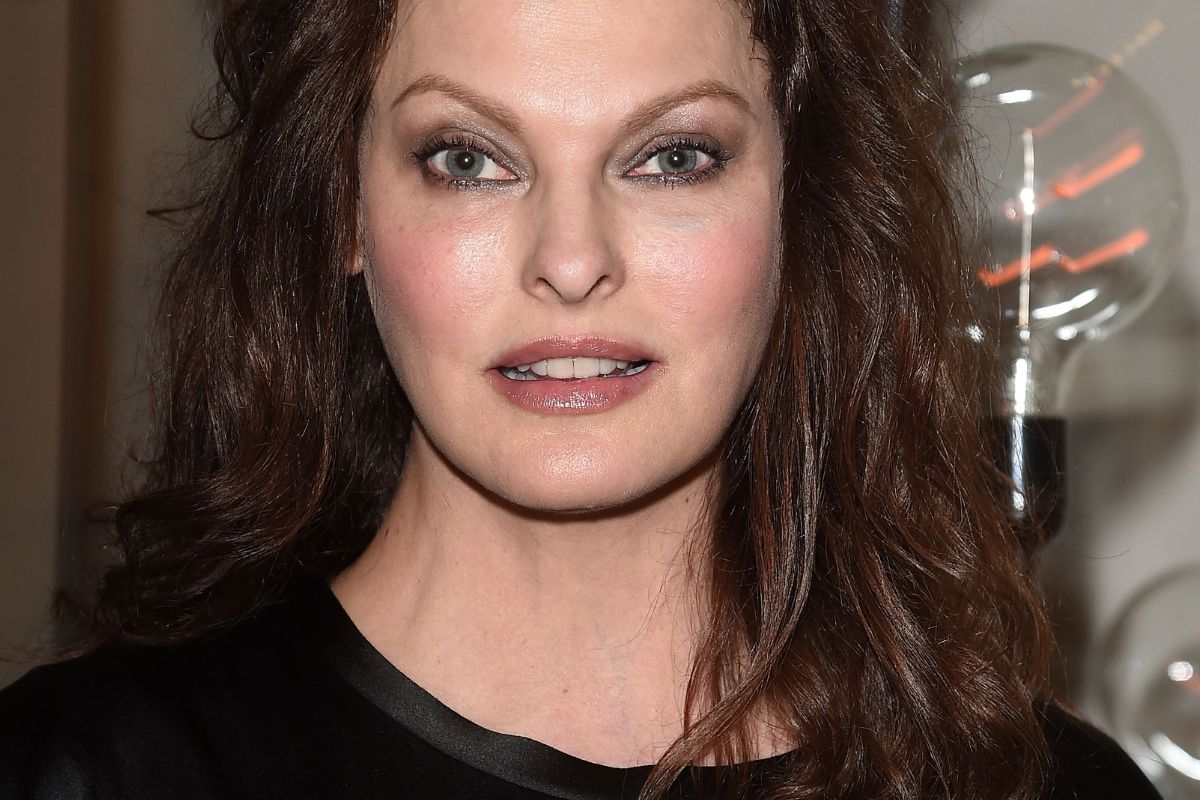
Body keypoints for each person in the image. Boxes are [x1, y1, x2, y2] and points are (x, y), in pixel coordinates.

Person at [0, 0, 1164, 798]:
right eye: (468, 158)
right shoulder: (96, 767)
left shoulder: (1044, 785)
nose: (569, 259)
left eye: (673, 157)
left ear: (798, 208)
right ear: (343, 209)